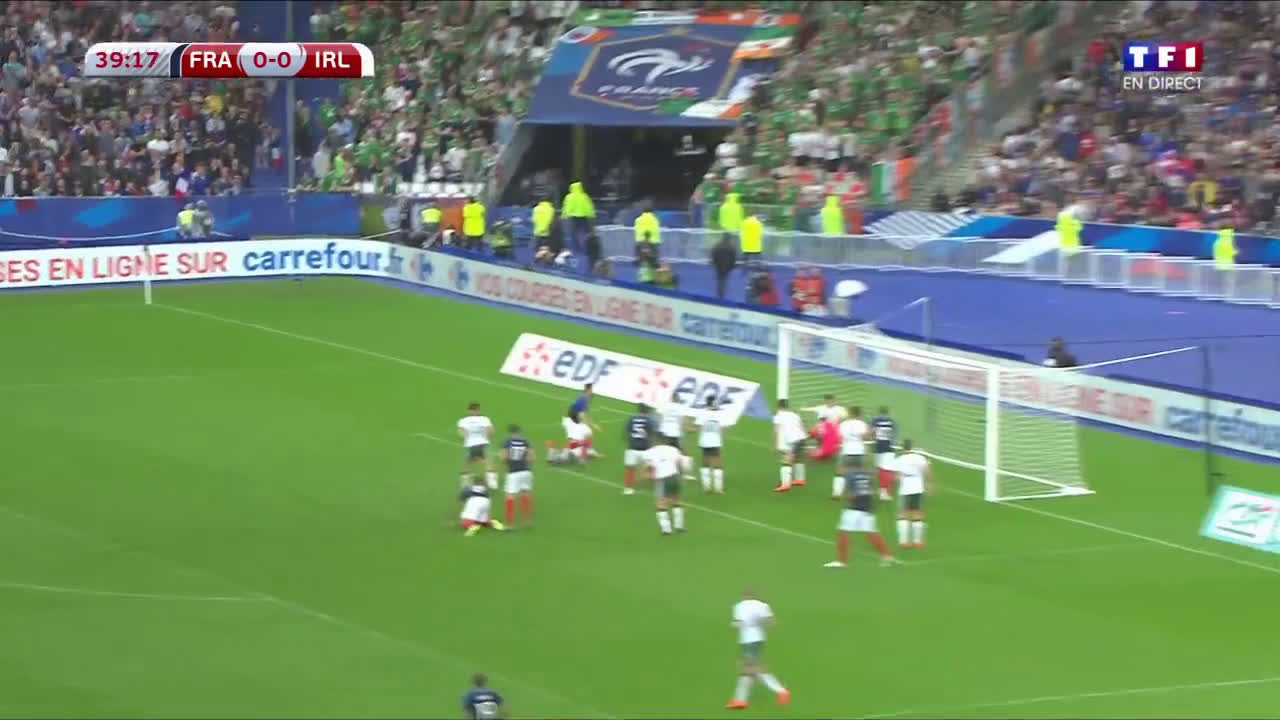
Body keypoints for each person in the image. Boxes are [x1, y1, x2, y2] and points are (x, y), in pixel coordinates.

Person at [726, 589, 791, 710]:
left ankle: (781, 691)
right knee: (747, 671)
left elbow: (737, 623)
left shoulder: (739, 606)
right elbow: (771, 622)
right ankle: (740, 700)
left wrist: (735, 625)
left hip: (747, 640)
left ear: (744, 596)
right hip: (759, 639)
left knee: (753, 669)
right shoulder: (762, 605)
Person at [824, 468, 895, 568]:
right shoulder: (866, 475)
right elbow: (872, 491)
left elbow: (852, 494)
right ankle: (887, 555)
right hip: (867, 508)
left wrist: (845, 496)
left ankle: (841, 561)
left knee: (843, 532)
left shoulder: (850, 476)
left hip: (854, 509)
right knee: (871, 533)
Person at [645, 437, 691, 535]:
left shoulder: (649, 452)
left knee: (661, 502)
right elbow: (681, 463)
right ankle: (679, 526)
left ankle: (666, 529)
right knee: (676, 500)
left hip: (661, 478)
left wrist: (650, 478)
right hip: (674, 476)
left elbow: (650, 467)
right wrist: (681, 475)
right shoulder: (673, 449)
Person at [894, 439, 932, 549]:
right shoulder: (920, 457)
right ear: (912, 447)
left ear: (902, 448)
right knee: (917, 513)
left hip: (905, 488)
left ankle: (903, 541)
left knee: (903, 514)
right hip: (918, 487)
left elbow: (896, 476)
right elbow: (927, 470)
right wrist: (929, 483)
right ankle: (918, 541)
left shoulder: (899, 459)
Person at [500, 424, 535, 527]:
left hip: (513, 472)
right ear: (519, 432)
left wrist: (507, 465)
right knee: (526, 493)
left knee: (510, 495)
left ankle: (510, 523)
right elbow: (531, 457)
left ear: (510, 433)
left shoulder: (507, 442)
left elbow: (503, 456)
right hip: (526, 471)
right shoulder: (526, 442)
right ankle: (527, 520)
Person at [457, 402, 497, 489]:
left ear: (468, 410)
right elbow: (491, 431)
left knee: (467, 464)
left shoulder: (462, 421)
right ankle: (492, 483)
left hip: (470, 445)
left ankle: (465, 483)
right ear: (478, 410)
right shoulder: (484, 419)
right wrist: (485, 436)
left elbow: (461, 435)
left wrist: (467, 438)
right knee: (489, 462)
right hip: (484, 443)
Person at [834, 406, 870, 500]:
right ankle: (856, 494)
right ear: (859, 414)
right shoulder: (862, 424)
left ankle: (837, 493)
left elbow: (839, 436)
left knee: (840, 472)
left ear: (850, 414)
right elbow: (866, 438)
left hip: (846, 450)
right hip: (859, 451)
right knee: (858, 473)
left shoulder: (844, 424)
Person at [772, 399, 807, 492]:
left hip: (793, 440)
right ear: (788, 406)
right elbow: (802, 425)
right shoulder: (795, 415)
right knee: (798, 459)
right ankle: (800, 479)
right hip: (802, 438)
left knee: (786, 461)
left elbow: (776, 430)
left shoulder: (778, 416)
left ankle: (785, 485)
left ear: (779, 406)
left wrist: (775, 444)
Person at [622, 403, 656, 497]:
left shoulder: (631, 419)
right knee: (652, 465)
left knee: (630, 468)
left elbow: (627, 432)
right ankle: (655, 483)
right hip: (645, 447)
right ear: (646, 411)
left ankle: (628, 489)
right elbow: (652, 432)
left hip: (632, 447)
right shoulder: (648, 420)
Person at [694, 396, 726, 494]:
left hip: (704, 441)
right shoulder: (720, 414)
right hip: (715, 441)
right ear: (713, 403)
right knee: (718, 464)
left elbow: (696, 425)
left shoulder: (702, 413)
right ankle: (718, 488)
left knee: (705, 462)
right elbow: (724, 428)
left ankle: (706, 487)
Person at [564, 384, 600, 460]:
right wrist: (593, 425)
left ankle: (589, 450)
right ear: (588, 390)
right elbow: (582, 416)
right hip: (572, 422)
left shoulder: (584, 399)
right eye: (591, 390)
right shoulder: (583, 400)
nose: (592, 392)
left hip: (574, 421)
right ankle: (565, 454)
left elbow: (583, 415)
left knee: (588, 431)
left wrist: (590, 423)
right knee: (575, 450)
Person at [870, 406, 897, 501]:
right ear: (887, 413)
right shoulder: (892, 422)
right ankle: (883, 493)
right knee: (887, 471)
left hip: (877, 447)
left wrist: (872, 439)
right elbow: (893, 435)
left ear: (879, 412)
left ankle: (878, 489)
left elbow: (872, 432)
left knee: (879, 469)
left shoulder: (875, 420)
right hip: (888, 447)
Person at [561, 181, 595, 250]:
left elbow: (567, 207)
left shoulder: (569, 197)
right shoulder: (584, 196)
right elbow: (589, 207)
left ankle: (576, 248)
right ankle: (587, 246)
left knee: (573, 234)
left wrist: (564, 216)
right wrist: (592, 215)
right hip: (584, 217)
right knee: (586, 233)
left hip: (573, 217)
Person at [712, 233, 738, 299]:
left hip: (719, 265)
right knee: (724, 279)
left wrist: (715, 263)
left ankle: (720, 293)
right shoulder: (731, 247)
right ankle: (721, 293)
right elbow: (734, 258)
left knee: (720, 279)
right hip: (727, 266)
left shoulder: (718, 245)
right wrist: (732, 266)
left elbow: (714, 254)